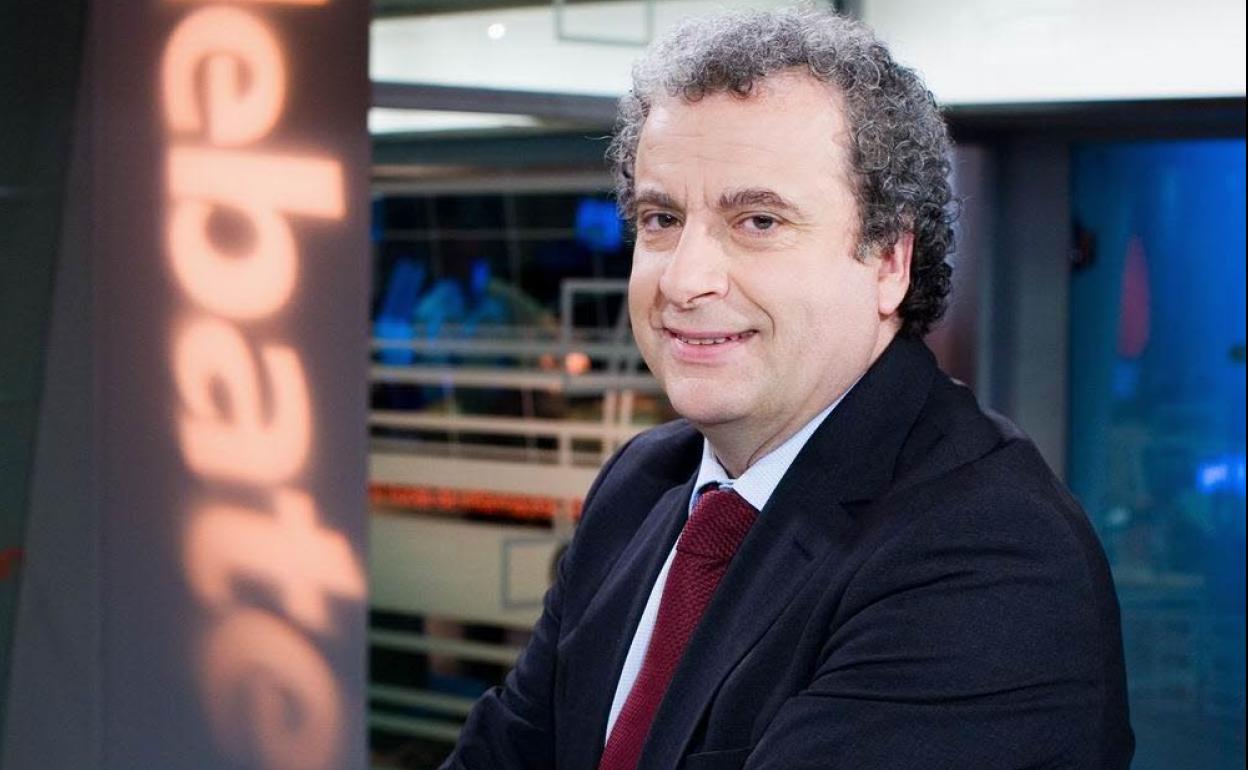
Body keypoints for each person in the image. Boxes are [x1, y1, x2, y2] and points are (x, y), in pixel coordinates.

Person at [440, 8, 1134, 769]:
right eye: (661, 218)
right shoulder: (641, 486)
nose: (684, 279)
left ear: (890, 261)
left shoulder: (988, 553)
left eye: (759, 221)